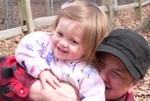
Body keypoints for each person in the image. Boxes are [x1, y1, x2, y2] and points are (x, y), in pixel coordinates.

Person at [0, 29, 149, 101]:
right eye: (100, 63)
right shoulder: (69, 68)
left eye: (116, 73)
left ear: (133, 85)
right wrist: (35, 88)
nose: (101, 75)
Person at [14, 0, 108, 101]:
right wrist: (42, 70)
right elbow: (24, 48)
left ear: (89, 47)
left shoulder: (87, 73)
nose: (63, 43)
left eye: (73, 41)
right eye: (60, 34)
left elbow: (95, 96)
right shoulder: (44, 43)